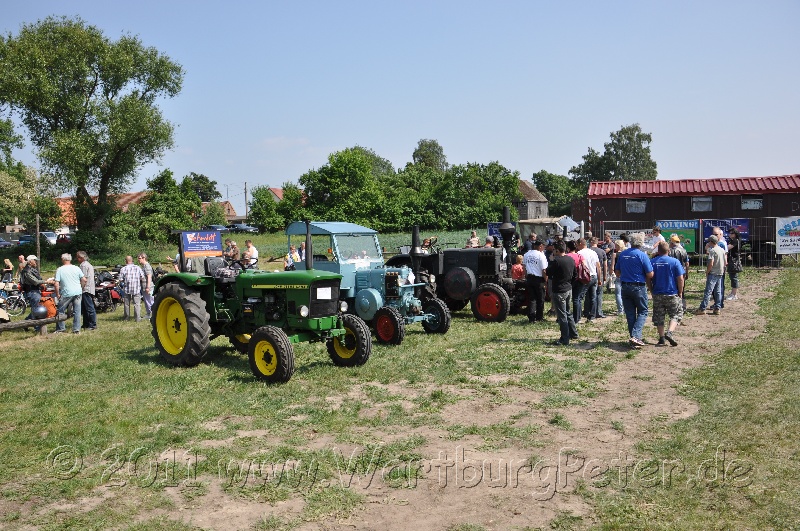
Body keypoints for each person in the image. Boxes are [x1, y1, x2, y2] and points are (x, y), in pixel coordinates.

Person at [614, 233, 654, 349]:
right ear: (640, 243)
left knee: (630, 313)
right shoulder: (642, 255)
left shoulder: (622, 254)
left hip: (625, 286)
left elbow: (617, 272)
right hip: (638, 286)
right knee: (643, 311)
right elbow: (650, 274)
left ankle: (633, 338)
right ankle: (636, 336)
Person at [650, 241, 684, 346]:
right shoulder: (674, 262)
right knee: (676, 314)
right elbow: (680, 278)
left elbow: (648, 277)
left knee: (659, 316)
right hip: (672, 292)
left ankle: (661, 338)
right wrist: (680, 291)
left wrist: (651, 289)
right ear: (668, 251)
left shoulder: (653, 262)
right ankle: (670, 332)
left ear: (658, 251)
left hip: (657, 293)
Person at [546, 241, 578, 346]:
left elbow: (548, 272)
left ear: (558, 250)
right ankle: (573, 333)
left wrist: (551, 261)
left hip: (559, 290)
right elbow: (575, 275)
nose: (553, 252)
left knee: (562, 315)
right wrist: (570, 284)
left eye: (554, 250)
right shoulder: (570, 259)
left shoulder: (556, 261)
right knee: (568, 312)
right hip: (568, 289)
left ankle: (565, 338)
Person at [54, 253, 86, 334]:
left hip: (67, 293)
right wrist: (81, 288)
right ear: (70, 259)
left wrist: (57, 294)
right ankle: (76, 329)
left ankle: (61, 328)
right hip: (77, 292)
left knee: (60, 310)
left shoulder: (60, 269)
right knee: (77, 311)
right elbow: (84, 280)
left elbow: (56, 283)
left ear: (63, 259)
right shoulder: (76, 268)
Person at [695, 235, 725, 316]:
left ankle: (702, 308)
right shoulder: (722, 250)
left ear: (711, 242)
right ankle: (717, 308)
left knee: (708, 291)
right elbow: (725, 262)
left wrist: (707, 272)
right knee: (718, 291)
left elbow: (711, 263)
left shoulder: (712, 251)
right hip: (720, 272)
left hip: (713, 273)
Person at [575, 238, 600, 324]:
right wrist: (599, 278)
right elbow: (598, 266)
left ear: (581, 244)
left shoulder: (579, 253)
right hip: (594, 276)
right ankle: (592, 316)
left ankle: (578, 317)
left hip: (585, 278)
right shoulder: (593, 252)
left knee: (579, 297)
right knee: (593, 297)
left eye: (577, 245)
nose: (577, 247)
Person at [523, 240, 548, 323]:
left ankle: (531, 317)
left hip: (530, 278)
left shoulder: (526, 254)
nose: (544, 248)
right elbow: (544, 270)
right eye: (543, 246)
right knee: (540, 299)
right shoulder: (541, 255)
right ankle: (539, 317)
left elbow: (524, 267)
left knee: (532, 298)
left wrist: (526, 276)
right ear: (540, 246)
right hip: (539, 279)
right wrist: (546, 280)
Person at [20, 255, 47, 321]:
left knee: (36, 308)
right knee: (36, 309)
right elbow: (35, 282)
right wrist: (47, 281)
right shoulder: (27, 271)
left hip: (35, 291)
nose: (36, 262)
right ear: (30, 262)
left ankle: (26, 322)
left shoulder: (32, 269)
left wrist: (42, 283)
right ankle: (36, 327)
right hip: (32, 292)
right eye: (35, 261)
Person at [119, 255, 146, 322]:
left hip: (127, 288)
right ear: (132, 260)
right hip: (136, 288)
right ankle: (137, 318)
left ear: (126, 261)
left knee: (127, 304)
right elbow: (142, 277)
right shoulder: (138, 268)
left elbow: (120, 279)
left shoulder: (123, 269)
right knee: (137, 304)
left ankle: (126, 317)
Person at [76, 251, 97, 331]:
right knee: (84, 307)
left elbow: (84, 278)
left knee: (89, 307)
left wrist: (81, 287)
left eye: (78, 257)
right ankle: (86, 323)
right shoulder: (87, 264)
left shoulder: (84, 266)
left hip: (86, 289)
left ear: (81, 258)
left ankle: (92, 324)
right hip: (89, 288)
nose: (77, 259)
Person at [668, 234, 690, 311]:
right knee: (682, 291)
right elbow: (687, 263)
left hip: (671, 273)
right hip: (681, 273)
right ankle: (683, 307)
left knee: (672, 290)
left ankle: (673, 307)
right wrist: (687, 273)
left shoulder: (669, 251)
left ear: (672, 243)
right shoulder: (683, 251)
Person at [589, 237, 607, 318]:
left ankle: (588, 311)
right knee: (599, 294)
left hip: (589, 274)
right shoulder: (602, 251)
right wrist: (605, 276)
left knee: (589, 295)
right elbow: (605, 264)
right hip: (599, 273)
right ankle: (598, 312)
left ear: (590, 242)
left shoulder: (588, 251)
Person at [609, 239, 625, 315]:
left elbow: (612, 266)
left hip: (617, 274)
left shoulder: (615, 254)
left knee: (618, 293)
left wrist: (611, 273)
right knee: (624, 294)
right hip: (625, 275)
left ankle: (620, 310)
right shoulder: (625, 254)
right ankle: (625, 309)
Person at [726, 228, 742, 300]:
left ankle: (734, 294)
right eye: (729, 233)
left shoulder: (735, 241)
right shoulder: (732, 240)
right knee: (732, 276)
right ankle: (732, 293)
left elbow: (727, 248)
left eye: (732, 233)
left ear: (735, 234)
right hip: (732, 260)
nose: (730, 234)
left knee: (734, 277)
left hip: (734, 261)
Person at [138, 253, 154, 318]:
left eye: (139, 258)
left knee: (150, 300)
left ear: (144, 258)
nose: (138, 260)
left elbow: (149, 276)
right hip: (144, 286)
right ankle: (148, 314)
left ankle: (152, 314)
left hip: (147, 287)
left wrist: (148, 287)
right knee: (147, 301)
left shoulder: (147, 266)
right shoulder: (144, 266)